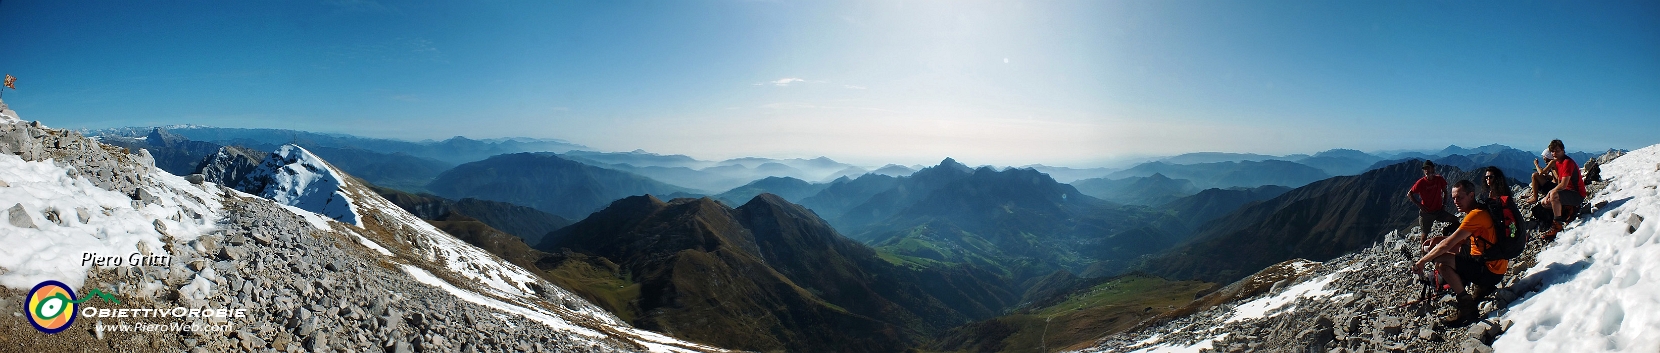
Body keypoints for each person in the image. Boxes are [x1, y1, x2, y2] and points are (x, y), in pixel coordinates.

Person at [1412, 180, 1507, 325]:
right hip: (1493, 263)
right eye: (1454, 198)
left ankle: (1467, 307)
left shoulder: (1474, 216)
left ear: (1471, 195)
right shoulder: (1480, 210)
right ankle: (1478, 286)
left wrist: (1422, 261)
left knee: (1441, 262)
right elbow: (1463, 239)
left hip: (1490, 271)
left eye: (1459, 197)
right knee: (1448, 254)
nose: (1456, 201)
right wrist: (1438, 239)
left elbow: (1448, 244)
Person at [1541, 139, 1584, 239]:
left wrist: (1550, 193)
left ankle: (1557, 225)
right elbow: (1560, 183)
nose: (1554, 153)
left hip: (1577, 194)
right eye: (1552, 151)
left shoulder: (1567, 163)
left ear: (1563, 150)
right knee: (1544, 203)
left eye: (1557, 150)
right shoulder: (1558, 162)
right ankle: (1568, 209)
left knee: (1553, 195)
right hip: (1568, 192)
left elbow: (1563, 185)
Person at [1408, 160, 1457, 240]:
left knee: (1455, 220)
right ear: (1424, 171)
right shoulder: (1421, 182)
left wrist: (1444, 204)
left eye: (1430, 168)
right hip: (1426, 213)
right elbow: (1409, 194)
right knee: (1424, 235)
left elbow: (1445, 192)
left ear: (1433, 169)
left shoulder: (1439, 179)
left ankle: (1447, 232)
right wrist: (1419, 205)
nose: (1428, 171)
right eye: (1426, 169)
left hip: (1438, 211)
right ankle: (1424, 252)